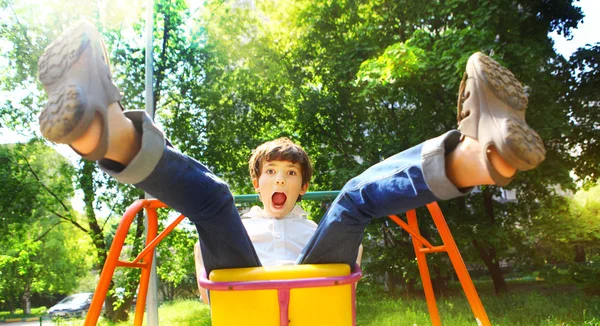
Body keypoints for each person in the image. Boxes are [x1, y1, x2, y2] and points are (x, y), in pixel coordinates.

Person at [37, 20, 546, 278]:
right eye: (270, 174)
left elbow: (347, 270)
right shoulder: (241, 224)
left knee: (351, 202)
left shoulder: (315, 228)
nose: (279, 181)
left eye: (290, 175)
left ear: (303, 186)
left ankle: (479, 157)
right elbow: (206, 281)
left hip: (312, 299)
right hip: (247, 295)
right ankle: (108, 134)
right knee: (211, 199)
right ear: (256, 184)